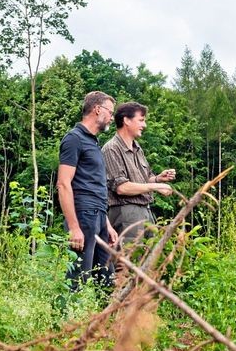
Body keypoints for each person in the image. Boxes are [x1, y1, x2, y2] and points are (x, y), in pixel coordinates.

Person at [57, 91, 119, 288]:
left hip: (98, 216)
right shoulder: (74, 139)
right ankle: (65, 318)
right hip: (83, 216)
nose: (111, 117)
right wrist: (74, 227)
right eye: (110, 111)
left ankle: (104, 319)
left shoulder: (93, 142)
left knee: (106, 280)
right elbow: (63, 184)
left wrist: (107, 224)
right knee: (77, 278)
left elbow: (95, 188)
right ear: (97, 109)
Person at [102, 101, 177, 245]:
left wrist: (158, 179)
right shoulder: (111, 149)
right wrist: (154, 187)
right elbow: (121, 188)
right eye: (141, 120)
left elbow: (145, 180)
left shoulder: (138, 148)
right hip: (126, 214)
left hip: (146, 212)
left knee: (150, 262)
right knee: (126, 263)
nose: (144, 125)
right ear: (126, 120)